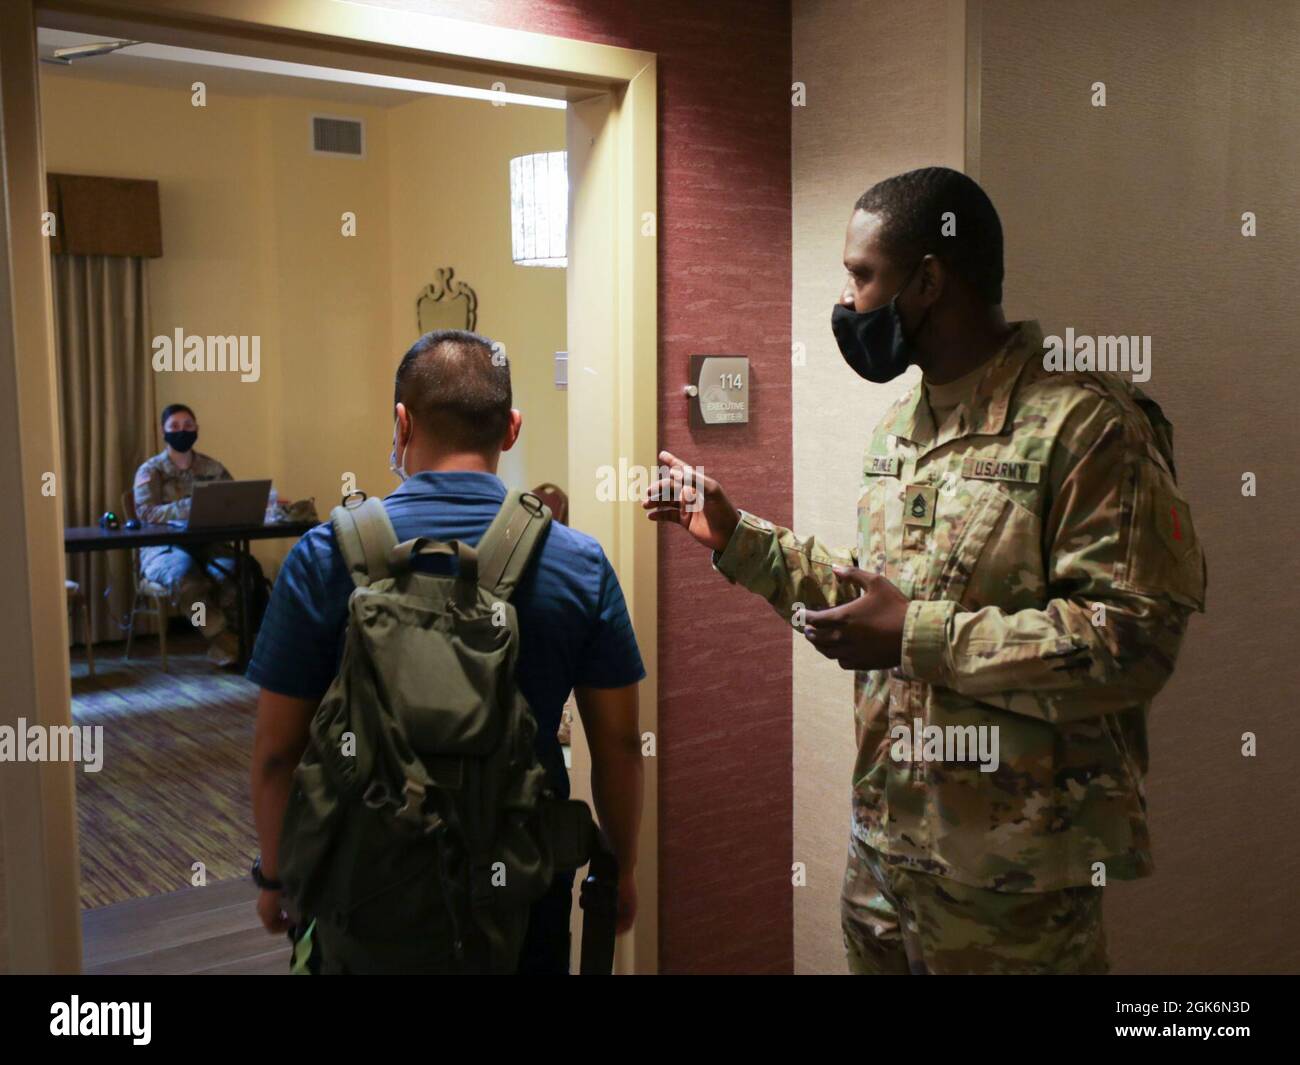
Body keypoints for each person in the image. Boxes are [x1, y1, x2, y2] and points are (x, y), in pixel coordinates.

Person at [646, 167, 1206, 975]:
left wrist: (917, 633)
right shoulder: (902, 424)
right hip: (884, 853)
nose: (847, 298)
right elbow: (875, 601)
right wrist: (742, 539)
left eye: (862, 275)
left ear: (930, 278)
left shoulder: (1085, 426)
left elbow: (1133, 640)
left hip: (1010, 884)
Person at [247, 329, 645, 973]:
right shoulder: (579, 563)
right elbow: (620, 745)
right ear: (511, 429)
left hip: (363, 885)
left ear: (401, 423)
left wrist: (276, 876)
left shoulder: (322, 556)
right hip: (520, 885)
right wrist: (620, 872)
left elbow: (275, 752)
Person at [133, 403, 241, 666]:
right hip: (162, 548)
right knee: (185, 579)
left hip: (208, 544)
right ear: (163, 431)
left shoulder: (213, 468)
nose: (182, 431)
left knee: (236, 571)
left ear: (197, 430)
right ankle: (218, 636)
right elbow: (146, 513)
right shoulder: (151, 471)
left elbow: (233, 501)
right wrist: (189, 507)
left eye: (188, 426)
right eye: (175, 427)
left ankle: (240, 638)